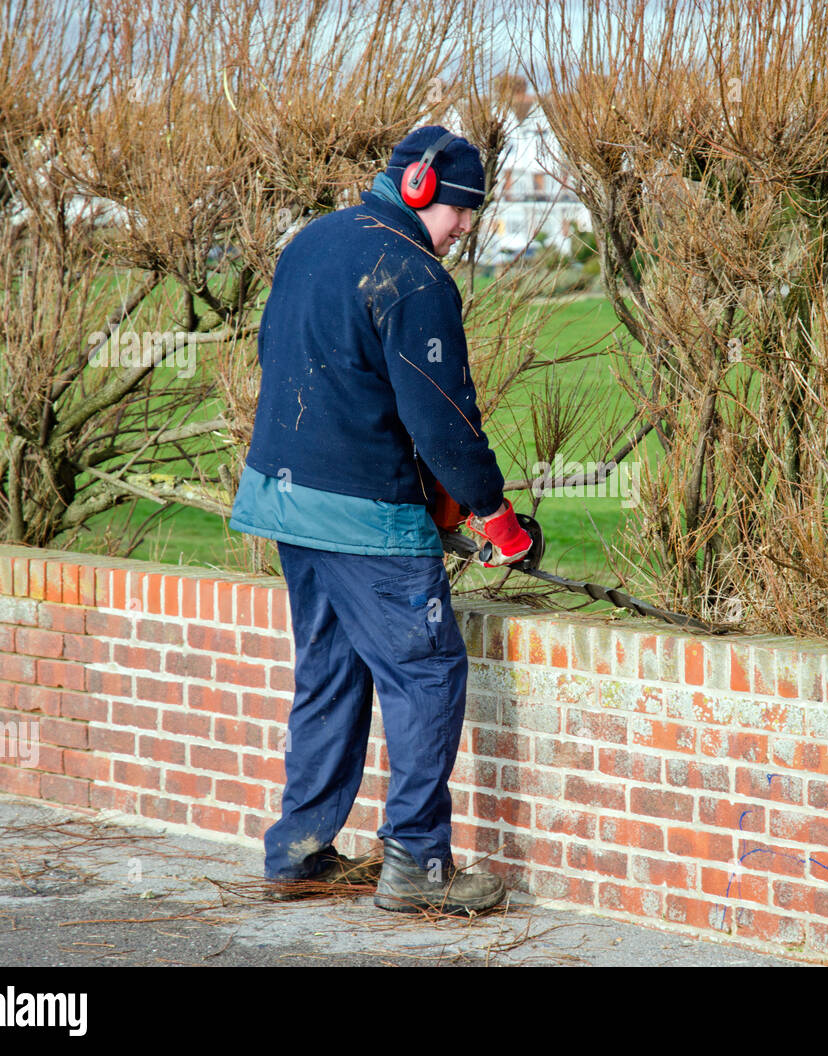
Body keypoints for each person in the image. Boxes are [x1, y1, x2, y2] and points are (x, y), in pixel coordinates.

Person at [229, 125, 532, 913]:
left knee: (329, 668)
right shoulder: (414, 275)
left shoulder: (312, 241)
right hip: (365, 517)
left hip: (284, 498)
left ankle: (299, 851)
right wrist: (496, 516)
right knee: (427, 669)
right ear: (423, 190)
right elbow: (442, 420)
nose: (466, 226)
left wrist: (434, 496)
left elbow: (296, 362)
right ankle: (418, 867)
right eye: (461, 210)